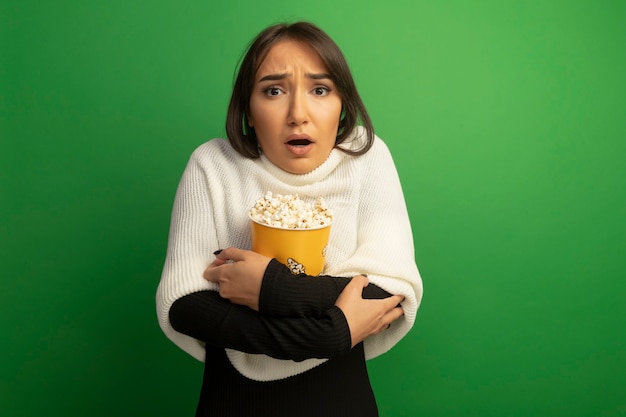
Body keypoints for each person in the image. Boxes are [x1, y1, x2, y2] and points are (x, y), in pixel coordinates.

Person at [156, 21, 423, 417]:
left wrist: (270, 288)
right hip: (233, 402)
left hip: (340, 401)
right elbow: (186, 305)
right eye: (273, 91)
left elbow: (386, 295)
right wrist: (330, 334)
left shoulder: (366, 158)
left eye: (320, 90)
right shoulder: (212, 165)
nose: (298, 114)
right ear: (247, 107)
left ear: (342, 103)